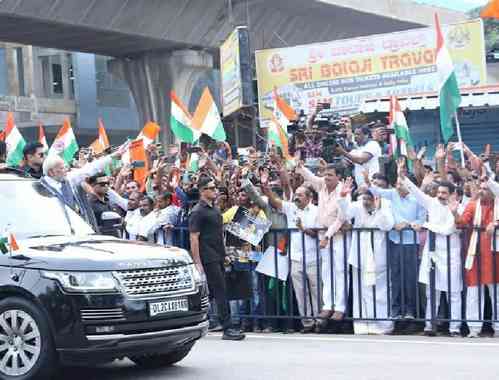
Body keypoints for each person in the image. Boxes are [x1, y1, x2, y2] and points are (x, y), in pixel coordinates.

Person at [398, 159, 463, 336]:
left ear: (451, 194)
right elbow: (416, 192)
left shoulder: (457, 208)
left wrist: (426, 225)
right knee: (431, 292)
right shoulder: (432, 203)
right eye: (439, 192)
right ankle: (429, 325)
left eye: (444, 193)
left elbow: (449, 229)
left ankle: (454, 328)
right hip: (432, 254)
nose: (440, 195)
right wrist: (402, 176)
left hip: (451, 255)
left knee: (453, 294)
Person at [189, 177, 245, 341]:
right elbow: (194, 238)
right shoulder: (197, 211)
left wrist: (225, 254)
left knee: (213, 293)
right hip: (208, 257)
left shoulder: (214, 209)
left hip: (218, 255)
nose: (215, 190)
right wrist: (197, 262)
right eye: (211, 188)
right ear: (202, 191)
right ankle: (227, 328)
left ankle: (194, 321)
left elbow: (219, 235)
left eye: (215, 188)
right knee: (220, 291)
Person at [368, 171, 426, 325]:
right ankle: (395, 309)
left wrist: (407, 224)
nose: (397, 186)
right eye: (397, 183)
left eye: (400, 183)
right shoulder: (393, 194)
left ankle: (410, 310)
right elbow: (376, 191)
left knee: (410, 278)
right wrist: (368, 179)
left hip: (410, 243)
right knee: (396, 277)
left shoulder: (418, 199)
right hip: (394, 241)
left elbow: (421, 219)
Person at [262, 181, 320, 333]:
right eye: (296, 195)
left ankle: (320, 322)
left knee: (316, 291)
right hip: (295, 259)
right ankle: (307, 323)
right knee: (301, 293)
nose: (296, 197)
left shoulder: (317, 211)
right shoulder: (291, 208)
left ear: (309, 197)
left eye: (300, 195)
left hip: (313, 257)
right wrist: (266, 189)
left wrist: (303, 229)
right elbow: (275, 202)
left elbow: (317, 234)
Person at [338, 178, 395, 335]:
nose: (366, 201)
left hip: (378, 257)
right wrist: (343, 197)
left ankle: (383, 325)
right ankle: (363, 325)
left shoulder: (386, 205)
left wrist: (379, 208)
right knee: (360, 291)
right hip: (360, 256)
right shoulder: (358, 205)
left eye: (370, 198)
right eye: (365, 198)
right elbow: (346, 214)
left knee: (380, 291)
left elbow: (387, 225)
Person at [296, 161, 348, 325]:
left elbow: (341, 218)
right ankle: (328, 304)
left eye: (330, 175)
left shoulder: (343, 191)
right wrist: (300, 166)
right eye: (325, 174)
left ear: (338, 177)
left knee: (340, 271)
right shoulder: (321, 186)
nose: (326, 178)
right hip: (323, 235)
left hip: (337, 236)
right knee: (326, 271)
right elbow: (310, 177)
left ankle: (339, 307)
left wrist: (328, 235)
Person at [457, 178, 499, 337]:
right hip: (475, 255)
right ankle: (474, 329)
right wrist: (455, 212)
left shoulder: (498, 205)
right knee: (474, 294)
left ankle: (498, 328)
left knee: (497, 294)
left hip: (495, 256)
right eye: (480, 188)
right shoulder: (473, 205)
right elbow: (461, 223)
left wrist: (495, 223)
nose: (481, 191)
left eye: (486, 188)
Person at [40, 144, 126, 213]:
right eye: (62, 168)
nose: (66, 170)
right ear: (51, 172)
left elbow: (89, 169)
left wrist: (113, 156)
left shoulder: (68, 180)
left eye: (65, 167)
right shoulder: (39, 188)